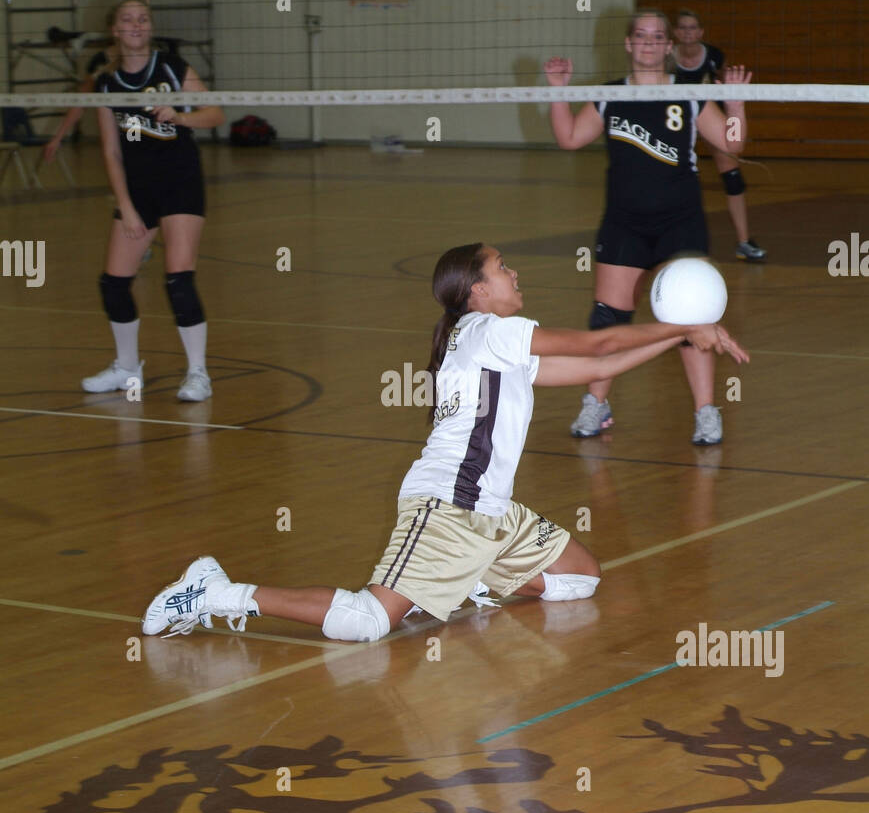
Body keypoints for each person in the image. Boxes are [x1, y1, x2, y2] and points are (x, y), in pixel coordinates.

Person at [142, 242, 748, 641]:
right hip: (449, 507)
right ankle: (215, 591)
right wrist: (681, 325)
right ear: (478, 291)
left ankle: (467, 579)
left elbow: (593, 372)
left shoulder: (492, 340)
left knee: (577, 580)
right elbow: (597, 347)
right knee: (366, 621)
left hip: (490, 511)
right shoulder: (488, 329)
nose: (515, 273)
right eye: (502, 267)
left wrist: (680, 341)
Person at [544, 9, 751, 445]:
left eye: (658, 37)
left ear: (669, 47)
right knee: (608, 317)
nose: (649, 43)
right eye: (642, 36)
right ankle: (596, 406)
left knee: (692, 316)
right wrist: (558, 92)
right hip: (624, 222)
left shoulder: (689, 93)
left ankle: (706, 412)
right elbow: (570, 139)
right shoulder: (608, 95)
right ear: (628, 43)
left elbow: (731, 142)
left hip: (681, 222)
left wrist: (735, 105)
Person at [83, 0, 224, 401]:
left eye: (142, 19)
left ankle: (198, 374)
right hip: (138, 190)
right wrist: (125, 206)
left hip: (181, 182)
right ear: (115, 29)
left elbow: (214, 113)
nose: (135, 24)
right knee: (113, 284)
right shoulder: (106, 84)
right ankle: (128, 368)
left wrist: (181, 116)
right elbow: (110, 152)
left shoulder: (172, 68)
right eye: (127, 19)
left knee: (178, 279)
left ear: (150, 27)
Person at [672, 8, 766, 263]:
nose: (688, 32)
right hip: (675, 123)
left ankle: (744, 242)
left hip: (707, 116)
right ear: (675, 32)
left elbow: (726, 86)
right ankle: (670, 240)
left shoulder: (713, 56)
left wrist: (732, 112)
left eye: (692, 28)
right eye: (683, 27)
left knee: (732, 177)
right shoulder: (667, 57)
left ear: (700, 32)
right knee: (672, 176)